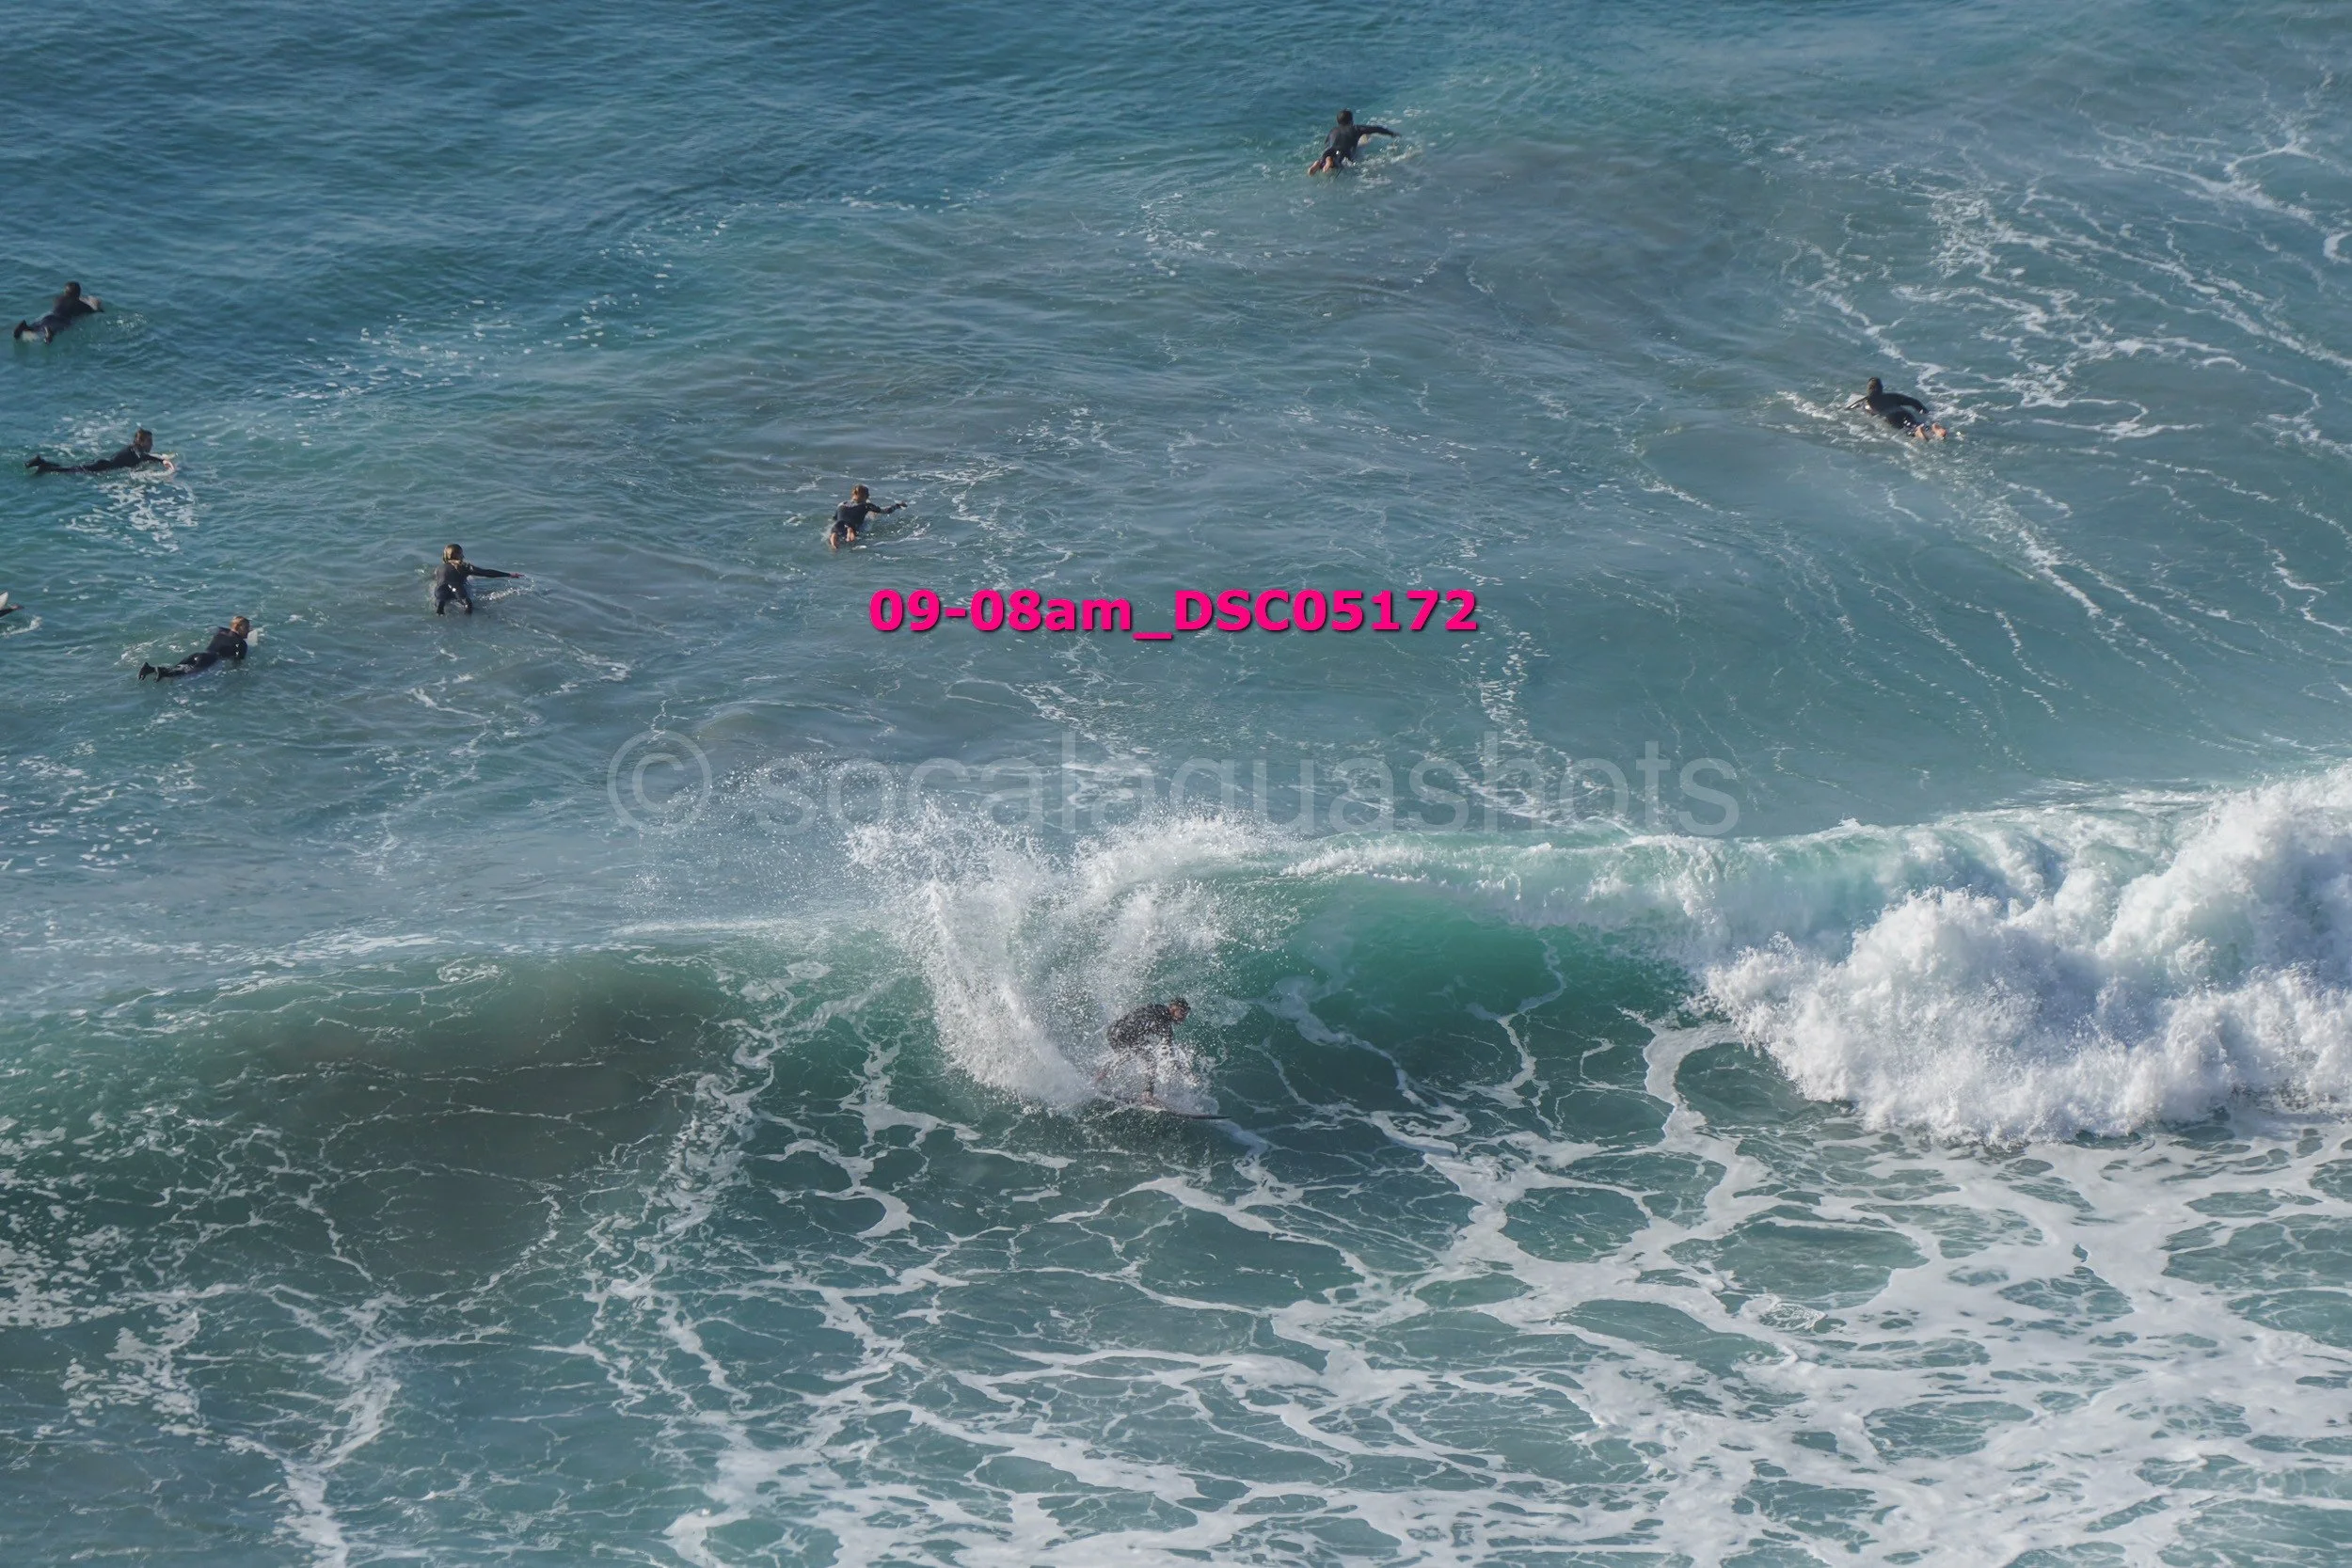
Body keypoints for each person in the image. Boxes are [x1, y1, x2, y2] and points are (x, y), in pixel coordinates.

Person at [1100, 998, 1190, 1099]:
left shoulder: (1157, 1008)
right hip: (1125, 1034)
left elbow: (1170, 1052)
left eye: (1185, 1013)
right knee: (1151, 1061)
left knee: (1125, 1056)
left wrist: (1183, 1069)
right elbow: (1169, 1051)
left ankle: (1099, 1076)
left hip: (1113, 1030)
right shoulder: (1162, 1019)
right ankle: (1147, 1095)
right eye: (1182, 1012)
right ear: (1172, 1008)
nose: (1184, 1017)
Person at [141, 616, 249, 680]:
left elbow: (212, 631)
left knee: (176, 669)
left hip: (198, 654)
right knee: (181, 674)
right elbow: (237, 663)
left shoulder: (221, 630)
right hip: (209, 659)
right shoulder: (241, 643)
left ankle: (149, 669)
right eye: (247, 628)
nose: (249, 630)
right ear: (239, 627)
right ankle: (160, 671)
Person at [26, 427, 170, 475]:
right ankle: (43, 465)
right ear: (140, 441)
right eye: (149, 441)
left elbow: (144, 457)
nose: (152, 444)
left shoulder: (135, 449)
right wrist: (161, 461)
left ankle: (44, 465)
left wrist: (159, 459)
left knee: (71, 469)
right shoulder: (137, 450)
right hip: (103, 466)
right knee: (70, 471)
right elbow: (143, 457)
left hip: (102, 464)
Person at [1850, 377, 1949, 440]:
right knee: (1914, 424)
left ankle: (1917, 432)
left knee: (1908, 430)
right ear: (1881, 388)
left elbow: (1853, 407)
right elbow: (1913, 401)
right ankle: (1934, 429)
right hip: (1904, 413)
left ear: (1869, 389)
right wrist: (1924, 412)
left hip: (1890, 417)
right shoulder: (1891, 396)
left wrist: (1848, 408)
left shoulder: (1866, 401)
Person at [433, 544, 521, 614]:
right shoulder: (462, 566)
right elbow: (486, 573)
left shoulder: (438, 568)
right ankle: (467, 622)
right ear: (456, 554)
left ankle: (439, 611)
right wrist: (509, 574)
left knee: (440, 599)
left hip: (441, 587)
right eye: (461, 553)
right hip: (456, 587)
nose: (463, 556)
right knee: (467, 603)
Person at [1309, 110, 1397, 174]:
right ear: (1351, 121)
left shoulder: (1333, 131)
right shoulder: (1355, 128)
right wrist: (1391, 133)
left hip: (1329, 151)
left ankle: (1320, 162)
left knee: (1326, 159)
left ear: (1338, 121)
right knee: (1338, 165)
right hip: (1342, 152)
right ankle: (1329, 161)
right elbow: (1377, 129)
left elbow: (1326, 144)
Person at [13, 280, 103, 342]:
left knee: (37, 326)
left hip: (49, 317)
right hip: (62, 320)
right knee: (55, 330)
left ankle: (25, 327)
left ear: (64, 292)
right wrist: (97, 307)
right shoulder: (79, 304)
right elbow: (94, 311)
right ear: (78, 294)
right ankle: (49, 334)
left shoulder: (58, 299)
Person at [828, 484, 904, 549]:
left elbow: (834, 518)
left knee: (837, 529)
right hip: (852, 525)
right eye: (868, 496)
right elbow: (886, 511)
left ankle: (834, 537)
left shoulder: (841, 504)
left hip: (838, 525)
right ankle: (849, 531)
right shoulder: (866, 505)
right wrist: (897, 506)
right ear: (864, 496)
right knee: (851, 534)